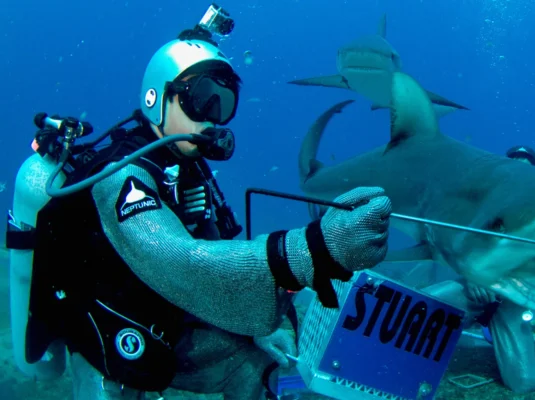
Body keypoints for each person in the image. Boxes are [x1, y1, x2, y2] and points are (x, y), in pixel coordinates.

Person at [8, 8, 392, 400]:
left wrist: (271, 322)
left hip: (167, 316)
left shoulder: (188, 166)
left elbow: (218, 244)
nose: (212, 119)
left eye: (223, 103)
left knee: (256, 367)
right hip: (112, 328)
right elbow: (178, 258)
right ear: (156, 97)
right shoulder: (123, 176)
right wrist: (309, 251)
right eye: (201, 100)